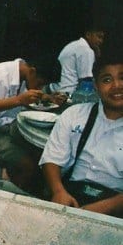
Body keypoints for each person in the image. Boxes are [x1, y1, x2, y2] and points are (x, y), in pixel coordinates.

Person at [39, 46, 122, 217]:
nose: (117, 86)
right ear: (96, 86)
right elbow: (52, 158)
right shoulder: (75, 115)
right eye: (107, 80)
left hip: (115, 206)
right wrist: (58, 191)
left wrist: (96, 211)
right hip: (70, 195)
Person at [0, 58, 64, 193]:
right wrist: (19, 100)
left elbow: (23, 97)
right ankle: (13, 197)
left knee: (39, 152)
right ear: (32, 71)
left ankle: (20, 184)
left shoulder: (23, 76)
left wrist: (48, 98)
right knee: (28, 165)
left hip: (2, 125)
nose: (39, 88)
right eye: (40, 84)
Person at [49, 25, 106, 94]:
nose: (101, 41)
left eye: (102, 38)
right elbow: (87, 81)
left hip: (57, 89)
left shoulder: (75, 45)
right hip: (69, 93)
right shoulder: (86, 50)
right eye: (98, 37)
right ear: (88, 35)